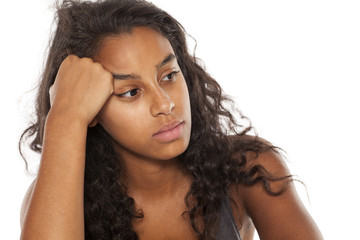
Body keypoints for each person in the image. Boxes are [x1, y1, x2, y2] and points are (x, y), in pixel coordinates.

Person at [19, 0, 323, 239]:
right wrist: (65, 117)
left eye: (168, 75)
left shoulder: (245, 169)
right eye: (130, 92)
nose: (165, 104)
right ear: (91, 110)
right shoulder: (58, 195)